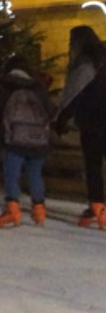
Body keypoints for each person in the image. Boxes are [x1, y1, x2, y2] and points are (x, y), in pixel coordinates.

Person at [0, 55, 54, 228]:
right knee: (35, 174)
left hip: (14, 139)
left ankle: (12, 208)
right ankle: (39, 209)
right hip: (37, 139)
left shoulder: (6, 86)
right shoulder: (38, 87)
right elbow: (50, 110)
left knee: (12, 173)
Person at [55, 26, 106, 229]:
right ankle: (96, 206)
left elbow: (76, 94)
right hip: (97, 119)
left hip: (93, 121)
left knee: (93, 165)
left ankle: (96, 205)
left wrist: (62, 118)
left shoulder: (85, 64)